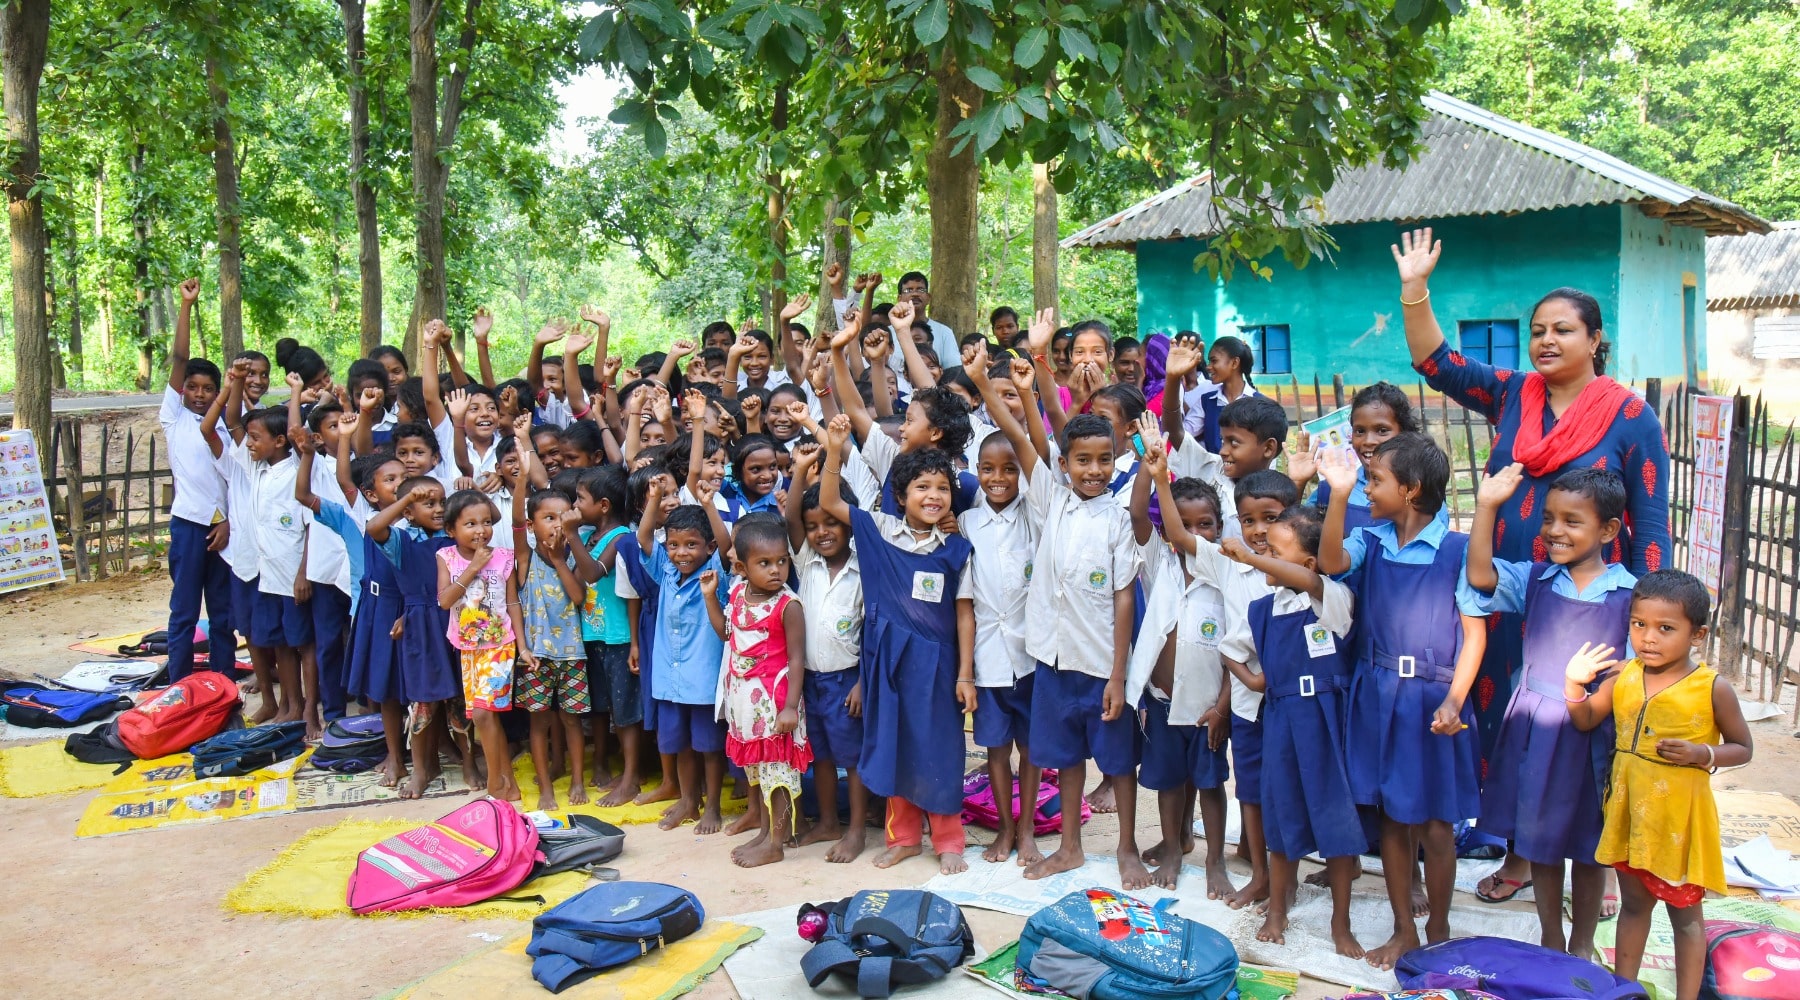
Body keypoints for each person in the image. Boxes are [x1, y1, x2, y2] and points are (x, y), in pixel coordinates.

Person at [1393, 227, 1672, 908]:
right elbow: (1437, 362)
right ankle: (1520, 853)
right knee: (1515, 726)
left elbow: (1651, 523)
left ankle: (1595, 861)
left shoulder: (1632, 416)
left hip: (1590, 608)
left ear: (1595, 339)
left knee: (1588, 731)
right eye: (1538, 331)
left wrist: (1648, 620)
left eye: (1563, 330)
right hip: (1508, 593)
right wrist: (1415, 290)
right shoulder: (1514, 394)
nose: (1546, 341)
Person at [1317, 436, 1487, 969]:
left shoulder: (1457, 551)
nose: (1367, 489)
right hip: (1378, 693)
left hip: (1434, 699)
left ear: (1410, 490)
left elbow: (1474, 635)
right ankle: (1403, 928)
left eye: (1375, 480)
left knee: (1436, 824)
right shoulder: (1371, 540)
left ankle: (1438, 927)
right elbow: (1329, 562)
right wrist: (1338, 495)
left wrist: (1455, 701)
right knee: (1391, 817)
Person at [981, 349, 1147, 886]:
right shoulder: (1049, 500)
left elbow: (1124, 598)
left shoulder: (1118, 518)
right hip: (1052, 660)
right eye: (1082, 461)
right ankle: (1070, 847)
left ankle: (1127, 847)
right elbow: (1022, 436)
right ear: (1064, 464)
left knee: (1117, 762)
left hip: (1101, 664)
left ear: (1115, 458)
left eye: (1104, 460)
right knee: (1066, 758)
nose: (1094, 471)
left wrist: (1118, 674)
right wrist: (1007, 386)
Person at [1468, 464, 1635, 958]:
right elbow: (1479, 574)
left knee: (1588, 843)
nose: (1555, 530)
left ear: (1608, 530)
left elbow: (1631, 672)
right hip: (1536, 728)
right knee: (1538, 839)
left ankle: (1581, 942)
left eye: (1572, 521)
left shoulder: (1631, 595)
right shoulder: (1535, 578)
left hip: (1593, 733)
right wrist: (1486, 506)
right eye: (1548, 518)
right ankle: (1550, 937)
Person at [1565, 570, 1753, 1000]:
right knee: (1633, 906)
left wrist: (1702, 754)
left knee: (1685, 918)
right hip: (1630, 819)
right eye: (1639, 624)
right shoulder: (1625, 676)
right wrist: (1574, 683)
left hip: (1677, 826)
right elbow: (1585, 718)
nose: (1648, 638)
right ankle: (1624, 990)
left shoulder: (1712, 688)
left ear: (1697, 635)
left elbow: (1743, 747)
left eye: (1666, 628)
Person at [817, 415, 976, 875]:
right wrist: (834, 448)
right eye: (922, 487)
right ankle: (903, 838)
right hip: (885, 663)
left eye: (942, 488)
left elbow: (964, 613)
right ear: (901, 496)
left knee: (941, 748)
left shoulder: (957, 549)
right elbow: (829, 500)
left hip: (938, 666)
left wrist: (965, 675)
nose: (933, 495)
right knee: (893, 746)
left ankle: (948, 840)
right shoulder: (878, 530)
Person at [1218, 507, 1366, 958]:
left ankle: (1341, 922)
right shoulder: (1262, 609)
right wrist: (1255, 681)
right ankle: (1278, 910)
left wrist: (1249, 556)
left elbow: (1312, 583)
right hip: (1281, 718)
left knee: (1335, 817)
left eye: (1275, 552)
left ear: (1308, 564)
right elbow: (1230, 650)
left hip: (1325, 718)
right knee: (1281, 815)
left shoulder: (1331, 598)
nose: (1265, 557)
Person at [1129, 431, 1233, 897]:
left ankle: (1215, 860)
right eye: (1184, 524)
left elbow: (1238, 649)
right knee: (1168, 784)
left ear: (1219, 527)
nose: (1193, 534)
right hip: (1162, 702)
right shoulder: (1159, 563)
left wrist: (1223, 707)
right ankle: (1173, 847)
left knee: (1210, 786)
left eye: (1205, 524)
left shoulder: (1226, 572)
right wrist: (1150, 469)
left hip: (1207, 707)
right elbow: (1139, 515)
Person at [955, 382, 1041, 867]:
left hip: (1032, 655)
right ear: (976, 470)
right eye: (987, 469)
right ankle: (1006, 829)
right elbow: (965, 605)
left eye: (1009, 469)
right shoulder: (967, 525)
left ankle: (1027, 830)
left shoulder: (1035, 515)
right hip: (988, 656)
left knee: (1031, 748)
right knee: (995, 749)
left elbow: (1033, 456)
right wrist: (966, 672)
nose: (998, 478)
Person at [705, 513, 811, 869]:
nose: (776, 570)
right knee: (761, 772)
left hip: (775, 703)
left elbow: (797, 659)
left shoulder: (788, 605)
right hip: (745, 704)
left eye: (782, 561)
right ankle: (765, 833)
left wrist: (791, 707)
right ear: (742, 567)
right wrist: (709, 598)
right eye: (764, 563)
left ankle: (776, 842)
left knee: (778, 774)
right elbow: (726, 633)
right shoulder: (738, 593)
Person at [783, 441, 870, 863]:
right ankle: (828, 823)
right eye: (813, 525)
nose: (822, 532)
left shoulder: (862, 569)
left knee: (851, 758)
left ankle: (856, 830)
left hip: (846, 679)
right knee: (818, 754)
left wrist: (863, 682)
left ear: (849, 522)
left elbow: (872, 634)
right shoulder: (806, 563)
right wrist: (799, 470)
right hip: (811, 681)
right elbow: (790, 520)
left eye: (831, 522)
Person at [637, 485, 733, 833]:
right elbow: (644, 537)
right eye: (674, 545)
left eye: (691, 545)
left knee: (709, 748)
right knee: (680, 746)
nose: (681, 553)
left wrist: (708, 505)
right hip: (670, 681)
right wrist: (653, 500)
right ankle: (689, 802)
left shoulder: (715, 574)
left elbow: (727, 547)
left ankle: (713, 808)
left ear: (708, 548)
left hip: (703, 681)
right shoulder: (664, 571)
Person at [367, 479, 466, 798]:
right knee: (424, 700)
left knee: (460, 697)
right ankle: (421, 769)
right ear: (408, 513)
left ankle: (469, 763)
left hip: (454, 620)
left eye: (442, 503)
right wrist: (407, 497)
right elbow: (374, 527)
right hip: (421, 625)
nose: (439, 510)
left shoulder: (454, 535)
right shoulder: (402, 541)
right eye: (429, 504)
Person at [160, 277, 234, 681]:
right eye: (193, 387)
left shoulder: (226, 427)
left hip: (224, 530)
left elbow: (235, 483)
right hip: (189, 526)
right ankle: (179, 686)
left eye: (209, 388)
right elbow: (179, 357)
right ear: (182, 390)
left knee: (223, 614)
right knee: (185, 611)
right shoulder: (174, 418)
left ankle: (222, 684)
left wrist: (229, 523)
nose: (200, 394)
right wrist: (186, 305)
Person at [436, 488, 527, 802]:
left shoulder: (504, 557)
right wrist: (473, 567)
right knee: (485, 715)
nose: (481, 530)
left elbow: (512, 603)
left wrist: (523, 646)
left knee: (484, 714)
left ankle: (494, 783)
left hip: (501, 645)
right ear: (452, 530)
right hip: (468, 648)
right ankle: (507, 782)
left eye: (486, 522)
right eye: (471, 524)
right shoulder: (446, 557)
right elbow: (445, 601)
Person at [516, 485, 592, 810]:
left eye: (563, 517)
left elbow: (577, 597)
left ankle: (577, 780)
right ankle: (545, 787)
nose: (557, 524)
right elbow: (515, 524)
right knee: (539, 723)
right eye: (549, 517)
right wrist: (522, 476)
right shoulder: (526, 558)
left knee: (572, 721)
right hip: (536, 657)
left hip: (572, 654)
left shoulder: (573, 557)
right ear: (531, 525)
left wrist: (560, 559)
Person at [571, 465, 642, 807]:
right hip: (593, 635)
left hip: (618, 637)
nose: (574, 505)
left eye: (579, 499)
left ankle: (631, 778)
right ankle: (617, 769)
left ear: (602, 505)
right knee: (603, 706)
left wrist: (570, 535)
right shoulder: (590, 537)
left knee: (625, 712)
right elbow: (575, 581)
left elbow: (592, 574)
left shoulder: (622, 537)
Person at [1287, 381, 1425, 533]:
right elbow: (1292, 534)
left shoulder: (1420, 491)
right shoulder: (1331, 488)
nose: (1368, 441)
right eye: (1359, 431)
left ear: (1404, 433)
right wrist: (1297, 484)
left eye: (1382, 430)